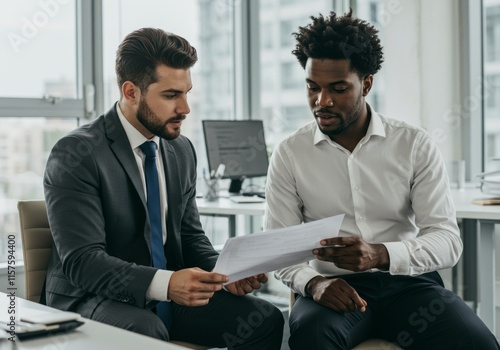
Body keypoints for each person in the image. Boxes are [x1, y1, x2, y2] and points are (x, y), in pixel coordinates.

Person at [264, 10, 499, 350]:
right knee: (313, 337)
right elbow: (279, 249)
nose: (322, 101)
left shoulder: (413, 144)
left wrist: (379, 254)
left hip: (409, 285)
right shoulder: (290, 153)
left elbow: (447, 241)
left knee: (477, 344)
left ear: (367, 84)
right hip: (333, 288)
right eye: (312, 87)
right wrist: (313, 284)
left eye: (338, 88)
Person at [43, 27, 284, 349]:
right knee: (147, 330)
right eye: (171, 95)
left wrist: (226, 273)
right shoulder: (77, 153)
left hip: (166, 293)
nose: (185, 108)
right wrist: (167, 283)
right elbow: (83, 262)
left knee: (265, 318)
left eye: (187, 93)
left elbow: (190, 238)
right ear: (131, 92)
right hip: (91, 296)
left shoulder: (180, 149)